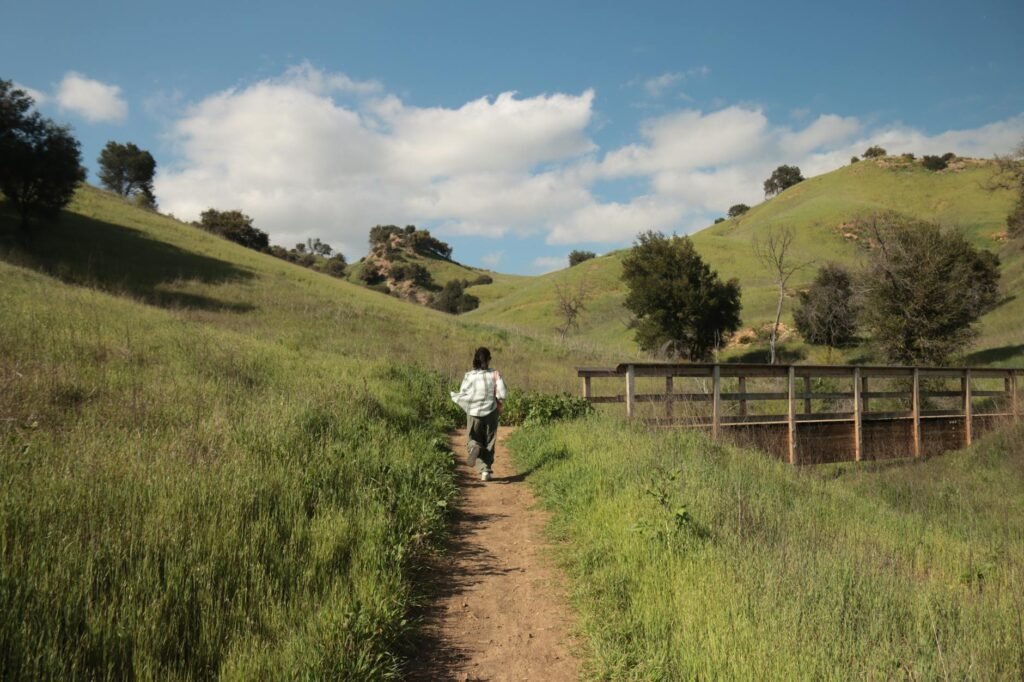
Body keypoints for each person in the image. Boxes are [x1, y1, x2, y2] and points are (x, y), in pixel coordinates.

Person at [450, 347, 507, 481]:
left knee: (473, 439)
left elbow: (464, 392)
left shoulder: (469, 375)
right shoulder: (494, 373)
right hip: (491, 412)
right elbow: (502, 393)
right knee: (489, 441)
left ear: (475, 360)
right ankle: (485, 471)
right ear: (488, 359)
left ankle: (475, 448)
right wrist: (499, 400)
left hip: (474, 413)